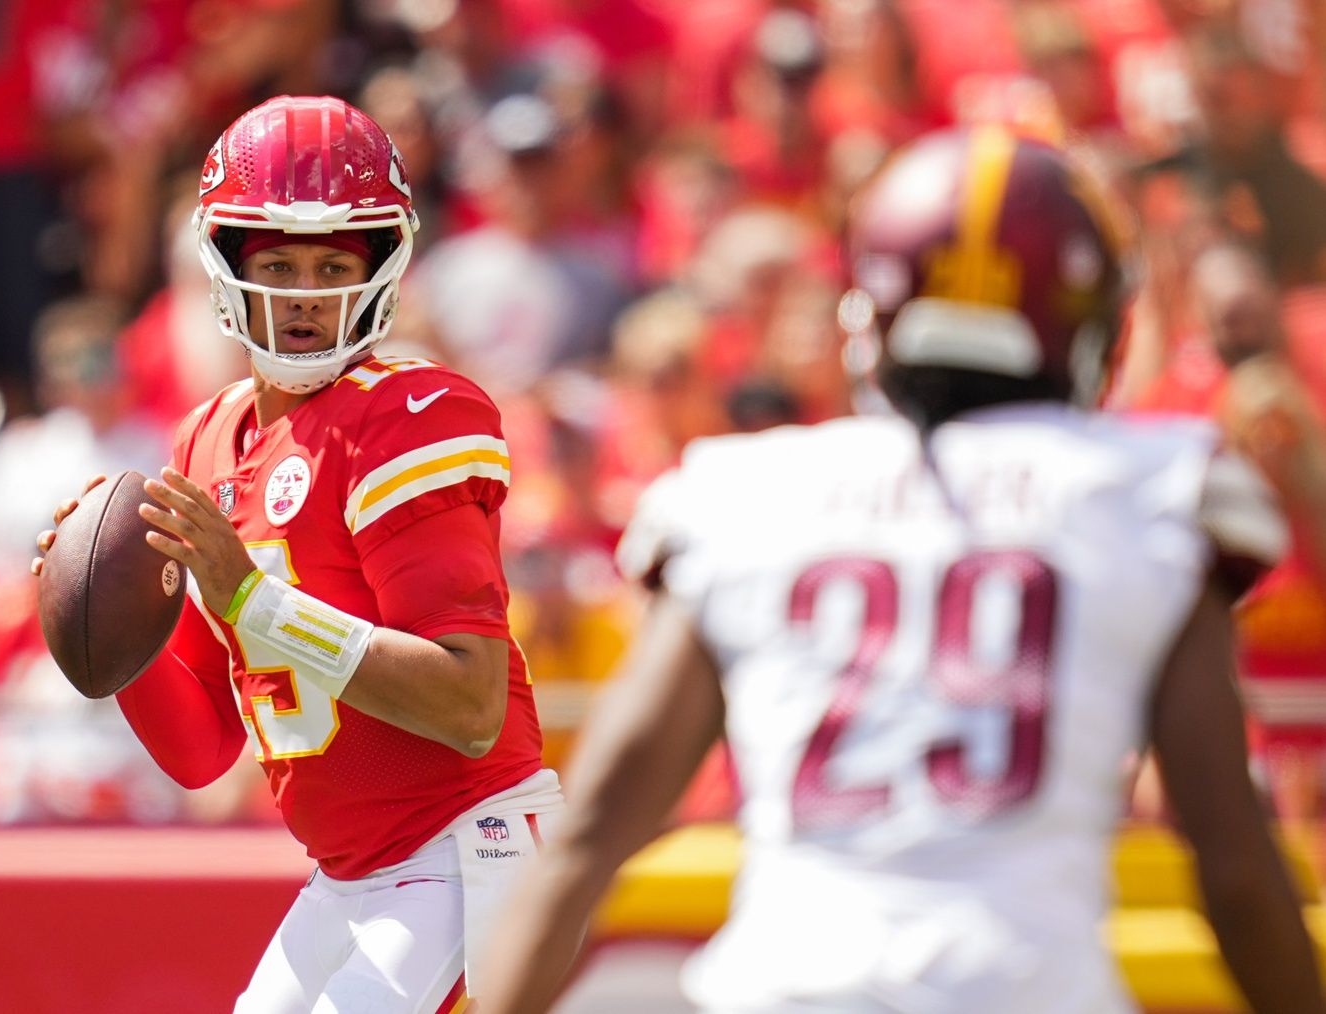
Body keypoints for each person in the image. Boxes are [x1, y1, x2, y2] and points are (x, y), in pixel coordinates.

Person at [482, 126, 1325, 1014]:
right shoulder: (1145, 492)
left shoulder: (749, 493)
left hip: (787, 990)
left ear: (870, 315)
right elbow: (1231, 865)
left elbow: (593, 830)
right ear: (1090, 325)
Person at [32, 95, 560, 1013]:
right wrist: (99, 624)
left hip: (464, 851)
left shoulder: (410, 416)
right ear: (226, 265)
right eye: (277, 262)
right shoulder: (206, 439)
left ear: (383, 265)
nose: (306, 292)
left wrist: (254, 605)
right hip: (351, 877)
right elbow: (204, 749)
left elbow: (469, 705)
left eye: (330, 263)